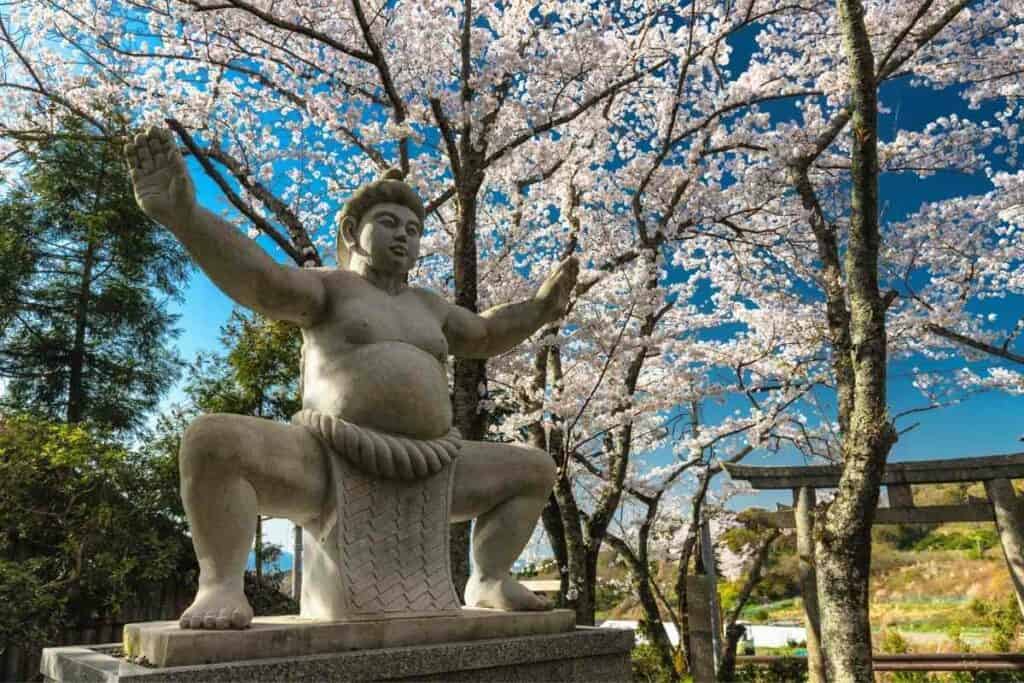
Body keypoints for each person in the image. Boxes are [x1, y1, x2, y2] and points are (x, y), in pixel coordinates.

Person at [125, 126, 578, 630]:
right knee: (212, 442)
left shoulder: (431, 307)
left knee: (535, 470)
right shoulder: (332, 287)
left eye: (413, 228)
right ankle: (221, 584)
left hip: (435, 467)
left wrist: (540, 310)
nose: (404, 234)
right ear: (350, 232)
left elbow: (488, 332)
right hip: (327, 460)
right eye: (389, 222)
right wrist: (187, 219)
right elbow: (264, 284)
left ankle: (490, 577)